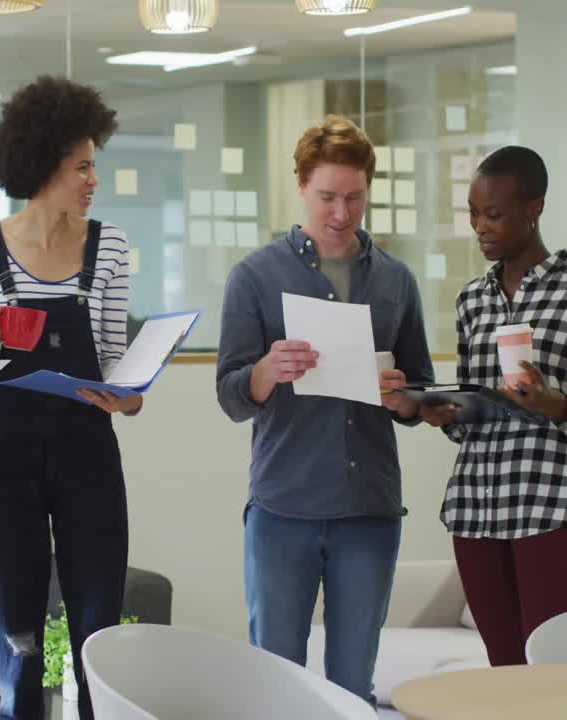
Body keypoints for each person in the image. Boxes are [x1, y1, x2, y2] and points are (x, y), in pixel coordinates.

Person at [215, 114, 435, 706]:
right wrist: (266, 371)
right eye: (327, 197)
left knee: (352, 689)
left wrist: (402, 398)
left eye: (354, 197)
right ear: (301, 186)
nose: (342, 212)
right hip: (282, 508)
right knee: (277, 684)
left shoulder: (396, 281)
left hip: (369, 509)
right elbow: (230, 395)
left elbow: (420, 392)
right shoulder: (254, 277)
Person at [0, 75, 136, 720]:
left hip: (89, 455)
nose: (93, 179)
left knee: (97, 628)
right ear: (44, 163)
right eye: (82, 166)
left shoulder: (108, 247)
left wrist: (129, 397)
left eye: (93, 165)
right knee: (20, 639)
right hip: (7, 461)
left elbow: (114, 363)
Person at [421, 145, 567, 666]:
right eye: (473, 213)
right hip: (476, 512)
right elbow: (472, 415)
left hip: (548, 509)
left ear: (534, 208)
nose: (480, 227)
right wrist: (445, 414)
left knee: (547, 672)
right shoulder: (472, 301)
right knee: (503, 672)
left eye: (493, 214)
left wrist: (556, 404)